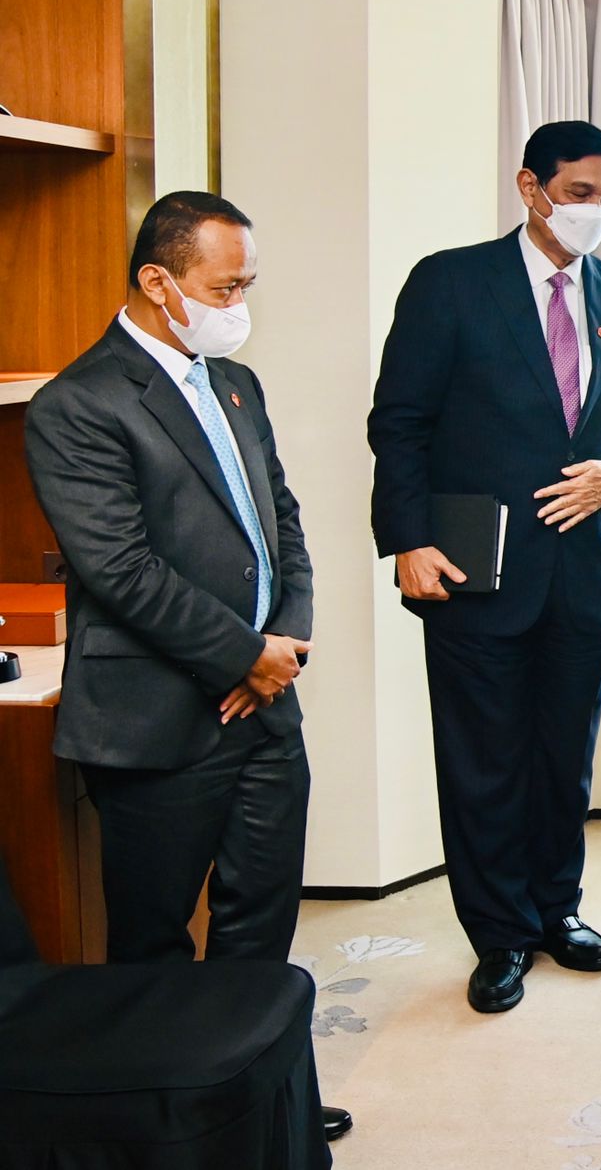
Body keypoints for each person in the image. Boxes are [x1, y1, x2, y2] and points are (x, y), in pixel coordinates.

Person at [24, 190, 350, 1144]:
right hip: (159, 715)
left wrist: (283, 640)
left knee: (260, 920)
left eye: (249, 282)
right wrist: (244, 654)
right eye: (226, 284)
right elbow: (120, 568)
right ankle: (167, 1120)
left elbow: (279, 520)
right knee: (156, 938)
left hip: (266, 706)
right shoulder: (76, 403)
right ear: (159, 281)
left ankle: (257, 1092)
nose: (240, 302)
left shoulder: (236, 383)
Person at [368, 121, 601, 1014]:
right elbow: (399, 422)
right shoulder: (451, 283)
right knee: (483, 761)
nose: (595, 213)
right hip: (471, 570)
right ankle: (499, 935)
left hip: (585, 578)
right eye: (579, 195)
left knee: (564, 761)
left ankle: (556, 912)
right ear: (531, 188)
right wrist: (406, 540)